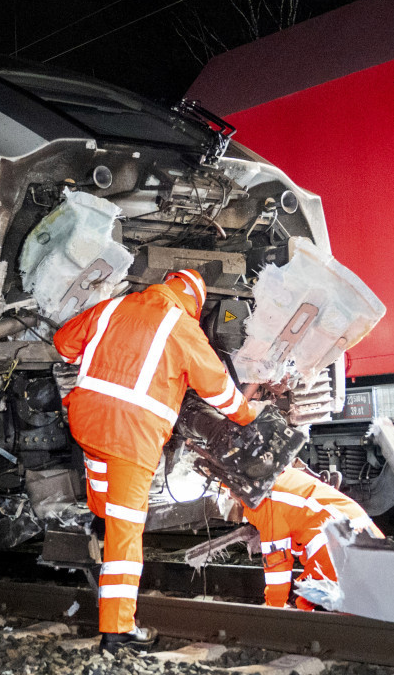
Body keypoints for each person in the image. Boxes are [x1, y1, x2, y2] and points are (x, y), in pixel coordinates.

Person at [53, 268, 256, 654]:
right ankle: (117, 631)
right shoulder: (181, 326)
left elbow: (63, 344)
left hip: (87, 423)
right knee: (126, 533)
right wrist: (248, 417)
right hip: (131, 438)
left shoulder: (113, 307)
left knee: (100, 481)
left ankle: (98, 519)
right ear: (194, 303)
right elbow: (217, 388)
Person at [241, 463, 383, 610]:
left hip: (340, 550)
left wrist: (273, 608)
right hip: (369, 538)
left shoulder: (265, 502)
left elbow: (277, 562)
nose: (230, 497)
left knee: (304, 608)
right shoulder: (286, 478)